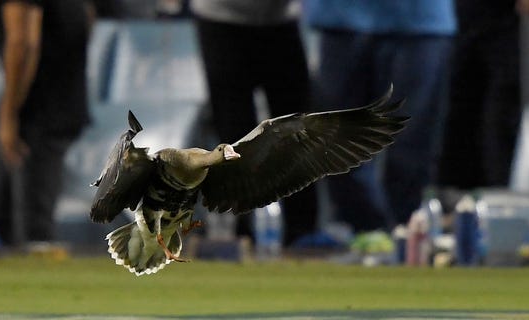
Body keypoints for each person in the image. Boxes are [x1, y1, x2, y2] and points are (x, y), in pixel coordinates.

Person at [305, 1, 456, 234]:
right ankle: (371, 234)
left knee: (411, 152)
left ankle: (405, 239)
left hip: (421, 20)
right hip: (342, 19)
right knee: (335, 146)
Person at [190, 0, 319, 246]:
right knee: (233, 136)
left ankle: (303, 234)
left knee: (298, 132)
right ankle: (239, 234)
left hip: (280, 21)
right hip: (221, 19)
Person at [0, 0, 94, 245]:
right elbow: (85, 18)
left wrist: (8, 114)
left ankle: (46, 282)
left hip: (36, 111)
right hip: (56, 100)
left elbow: (23, 43)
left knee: (31, 229)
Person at [436, 1, 523, 204]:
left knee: (501, 117)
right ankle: (454, 209)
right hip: (455, 13)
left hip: (507, 16)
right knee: (454, 109)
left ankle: (500, 208)